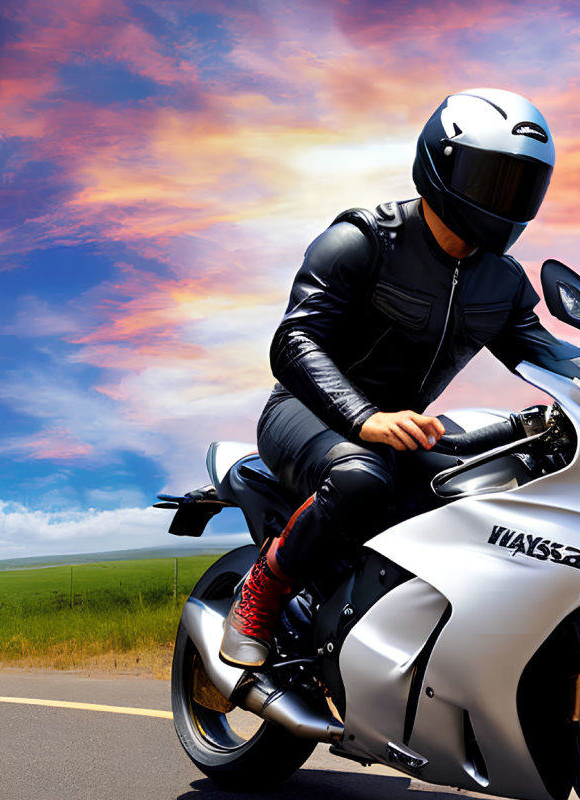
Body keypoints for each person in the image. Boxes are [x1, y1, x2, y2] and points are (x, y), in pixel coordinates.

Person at [220, 87, 579, 669]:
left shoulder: (503, 282)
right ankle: (262, 590)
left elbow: (543, 354)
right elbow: (293, 342)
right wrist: (366, 418)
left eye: (519, 185)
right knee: (361, 479)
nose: (505, 200)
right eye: (491, 180)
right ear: (439, 162)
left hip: (405, 427)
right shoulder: (363, 240)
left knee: (485, 490)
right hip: (308, 411)